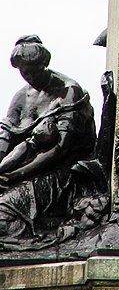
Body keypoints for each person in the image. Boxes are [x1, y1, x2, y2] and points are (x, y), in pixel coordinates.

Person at [0, 35, 96, 237]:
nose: (31, 77)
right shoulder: (20, 97)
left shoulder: (68, 91)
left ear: (45, 64)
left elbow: (60, 148)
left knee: (3, 210)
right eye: (25, 73)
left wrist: (15, 176)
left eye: (35, 71)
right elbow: (5, 138)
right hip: (22, 165)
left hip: (63, 170)